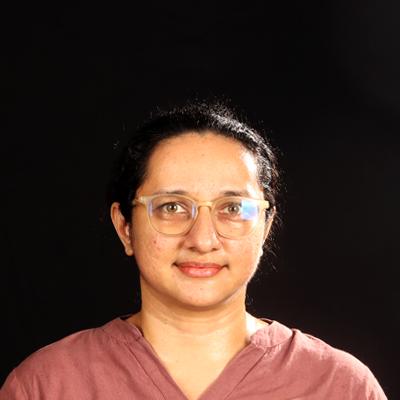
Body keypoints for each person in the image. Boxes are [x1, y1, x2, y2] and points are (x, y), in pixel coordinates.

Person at [0, 102, 387, 399]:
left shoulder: (340, 386)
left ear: (265, 227)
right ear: (125, 227)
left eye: (232, 208)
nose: (202, 239)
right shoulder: (47, 385)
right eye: (171, 207)